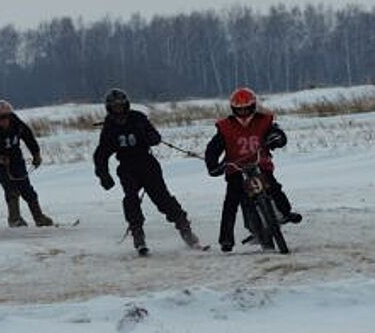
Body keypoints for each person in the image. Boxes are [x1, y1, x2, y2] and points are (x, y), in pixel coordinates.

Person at [93, 88, 202, 255]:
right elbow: (101, 153)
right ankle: (138, 234)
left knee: (162, 199)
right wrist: (103, 175)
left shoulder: (138, 118)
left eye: (120, 106)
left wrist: (151, 137)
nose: (118, 109)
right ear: (109, 108)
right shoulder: (109, 126)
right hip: (127, 168)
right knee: (131, 199)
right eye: (114, 107)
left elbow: (155, 136)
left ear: (126, 105)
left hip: (147, 164)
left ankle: (185, 229)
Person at [205, 87, 303, 252]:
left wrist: (277, 139)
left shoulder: (264, 121)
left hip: (260, 164)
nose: (243, 113)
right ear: (233, 109)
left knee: (274, 187)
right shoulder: (225, 127)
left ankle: (286, 212)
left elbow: (279, 135)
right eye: (239, 110)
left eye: (246, 109)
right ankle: (226, 239)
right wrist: (213, 166)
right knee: (231, 201)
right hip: (235, 168)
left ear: (253, 107)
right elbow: (212, 149)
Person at [0, 99, 53, 227]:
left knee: (26, 187)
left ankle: (39, 217)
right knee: (11, 188)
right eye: (1, 118)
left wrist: (36, 154)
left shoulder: (17, 124)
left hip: (16, 159)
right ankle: (14, 219)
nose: (4, 120)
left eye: (6, 117)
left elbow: (29, 137)